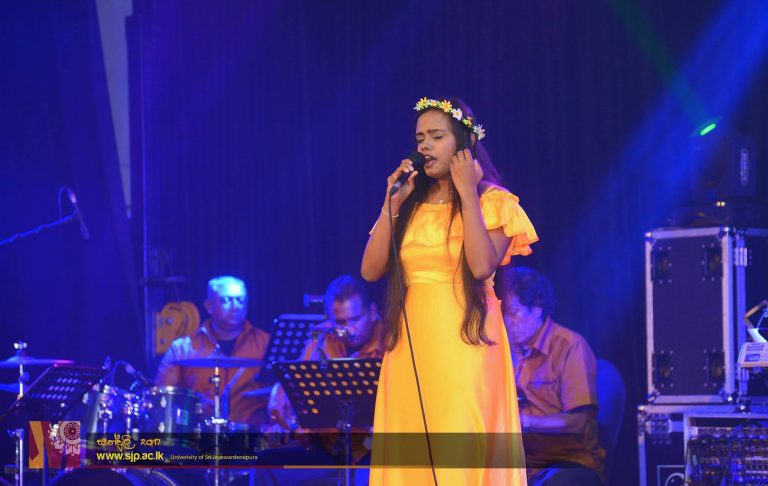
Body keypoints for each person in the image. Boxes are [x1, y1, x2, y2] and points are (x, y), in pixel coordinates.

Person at [361, 97, 538, 485]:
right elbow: (370, 270)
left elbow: (481, 266)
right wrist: (391, 204)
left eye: (436, 136)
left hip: (466, 344)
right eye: (419, 138)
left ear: (464, 142)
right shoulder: (410, 203)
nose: (424, 145)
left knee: (459, 449)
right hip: (409, 346)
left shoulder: (494, 201)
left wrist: (467, 192)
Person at [259, 275, 386, 486]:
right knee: (266, 463)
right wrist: (280, 395)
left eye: (356, 320)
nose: (349, 330)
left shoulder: (392, 341)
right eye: (340, 323)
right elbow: (297, 382)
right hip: (328, 446)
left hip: (372, 449)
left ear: (372, 312)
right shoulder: (323, 336)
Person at [496, 266, 605, 486]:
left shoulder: (569, 346)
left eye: (514, 312)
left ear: (537, 309)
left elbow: (579, 422)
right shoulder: (503, 349)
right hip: (522, 464)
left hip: (568, 461)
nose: (507, 321)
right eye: (503, 313)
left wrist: (526, 422)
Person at [155, 275, 271, 427]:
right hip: (198, 434)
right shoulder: (181, 349)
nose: (235, 306)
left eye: (240, 300)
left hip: (252, 434)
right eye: (226, 300)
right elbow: (163, 398)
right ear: (209, 306)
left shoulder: (266, 344)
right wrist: (194, 407)